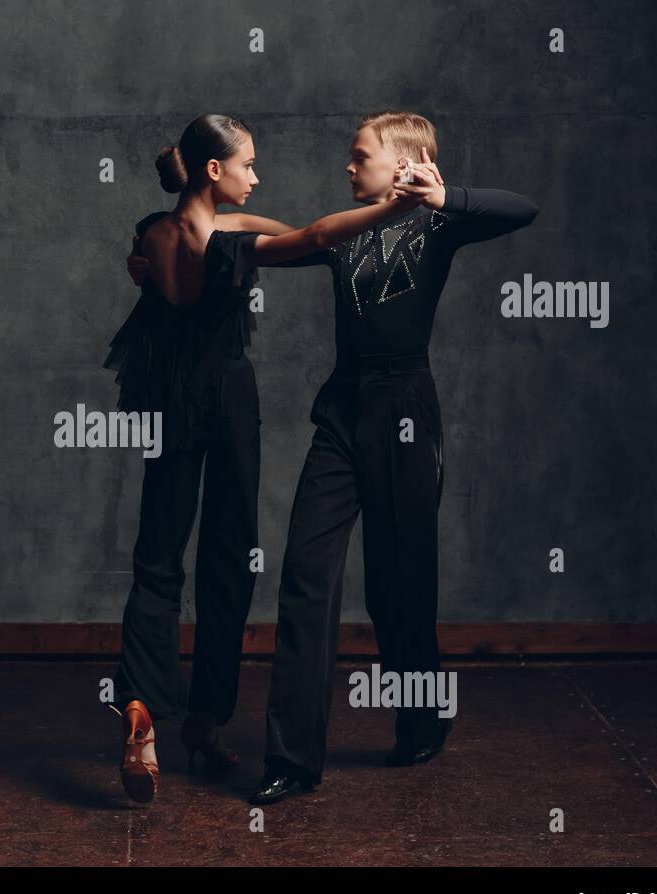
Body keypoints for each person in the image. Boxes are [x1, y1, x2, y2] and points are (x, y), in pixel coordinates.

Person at [125, 111, 539, 805]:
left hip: (405, 411)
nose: (347, 168)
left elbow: (521, 210)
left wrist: (443, 197)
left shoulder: (437, 224)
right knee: (305, 577)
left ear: (404, 161)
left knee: (397, 583)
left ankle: (423, 715)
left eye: (359, 157)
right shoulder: (343, 235)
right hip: (343, 411)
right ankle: (291, 759)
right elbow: (274, 244)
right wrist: (159, 249)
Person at [106, 113, 421, 804]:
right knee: (230, 554)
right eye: (247, 165)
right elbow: (309, 237)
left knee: (157, 555)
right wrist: (391, 207)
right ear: (214, 170)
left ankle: (140, 707)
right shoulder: (233, 236)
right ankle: (207, 720)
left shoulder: (153, 234)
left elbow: (153, 289)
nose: (256, 176)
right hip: (225, 399)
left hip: (166, 399)